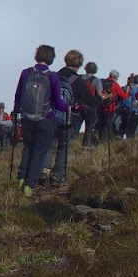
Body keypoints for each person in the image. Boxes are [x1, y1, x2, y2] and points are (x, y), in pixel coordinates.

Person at [13, 45, 70, 197]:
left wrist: (16, 111)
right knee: (39, 151)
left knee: (27, 147)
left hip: (26, 117)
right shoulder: (52, 76)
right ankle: (29, 186)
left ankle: (21, 178)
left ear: (36, 55)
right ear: (51, 58)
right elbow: (58, 102)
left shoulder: (26, 73)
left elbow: (18, 95)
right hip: (46, 119)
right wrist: (68, 107)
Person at [50, 49, 84, 186]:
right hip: (67, 118)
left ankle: (44, 170)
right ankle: (57, 176)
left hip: (51, 116)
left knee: (49, 146)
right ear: (79, 63)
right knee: (63, 147)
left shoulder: (54, 76)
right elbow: (90, 100)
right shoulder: (78, 80)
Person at [77, 62, 104, 146]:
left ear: (85, 68)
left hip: (79, 106)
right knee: (89, 128)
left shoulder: (79, 78)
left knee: (76, 127)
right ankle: (85, 145)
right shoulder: (96, 80)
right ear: (95, 70)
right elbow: (100, 94)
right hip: (91, 106)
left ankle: (73, 144)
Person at [100, 69, 128, 140]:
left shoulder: (101, 82)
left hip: (100, 107)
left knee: (100, 125)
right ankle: (104, 141)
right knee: (108, 126)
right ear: (116, 77)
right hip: (110, 107)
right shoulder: (115, 85)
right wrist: (127, 90)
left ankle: (99, 138)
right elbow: (124, 96)